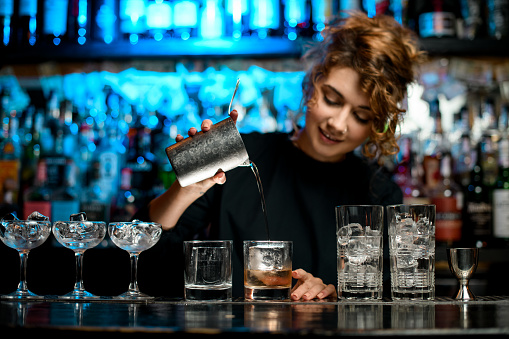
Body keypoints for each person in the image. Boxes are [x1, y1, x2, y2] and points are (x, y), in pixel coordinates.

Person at [135, 11, 425, 300]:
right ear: (311, 84)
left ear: (377, 125)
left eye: (361, 116)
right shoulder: (238, 154)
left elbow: (388, 301)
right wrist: (186, 187)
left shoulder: (380, 195)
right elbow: (145, 269)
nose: (338, 124)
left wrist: (333, 296)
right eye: (332, 100)